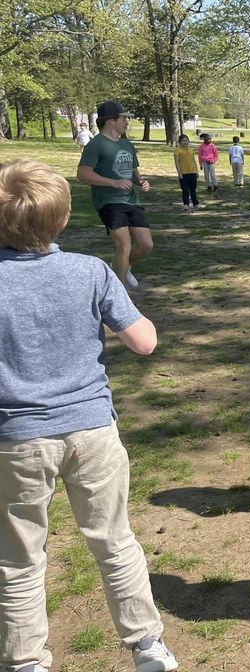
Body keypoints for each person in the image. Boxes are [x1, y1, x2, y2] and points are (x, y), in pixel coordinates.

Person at [0, 160, 179, 672]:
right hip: (92, 430)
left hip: (16, 441)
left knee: (18, 559)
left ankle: (25, 661)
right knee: (114, 540)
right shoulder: (91, 271)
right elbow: (144, 342)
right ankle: (148, 646)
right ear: (61, 219)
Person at [76, 101, 152, 289]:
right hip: (109, 202)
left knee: (146, 245)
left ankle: (119, 266)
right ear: (111, 120)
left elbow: (133, 172)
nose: (127, 122)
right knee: (124, 246)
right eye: (123, 118)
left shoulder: (127, 144)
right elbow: (82, 174)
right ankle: (120, 295)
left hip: (131, 200)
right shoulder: (96, 145)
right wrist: (113, 183)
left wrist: (141, 181)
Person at [173, 134, 201, 212]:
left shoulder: (191, 150)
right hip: (184, 173)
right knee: (185, 190)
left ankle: (195, 203)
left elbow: (194, 161)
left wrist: (196, 171)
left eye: (186, 141)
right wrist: (179, 173)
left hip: (192, 172)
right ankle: (186, 204)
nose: (185, 142)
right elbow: (177, 163)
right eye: (183, 141)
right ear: (179, 142)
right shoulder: (177, 151)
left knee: (193, 189)